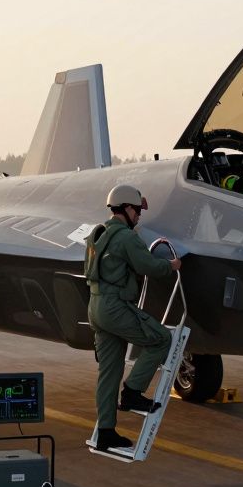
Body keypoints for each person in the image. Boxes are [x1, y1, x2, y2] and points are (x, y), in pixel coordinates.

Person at [83, 184, 182, 451]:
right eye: (137, 210)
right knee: (161, 339)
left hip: (95, 306)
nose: (139, 216)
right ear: (126, 208)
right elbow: (146, 266)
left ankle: (105, 433)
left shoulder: (96, 233)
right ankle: (133, 393)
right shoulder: (126, 237)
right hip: (115, 306)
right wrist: (170, 266)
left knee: (108, 371)